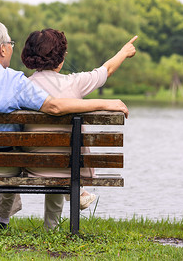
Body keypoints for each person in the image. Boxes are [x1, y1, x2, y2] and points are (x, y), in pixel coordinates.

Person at [0, 21, 130, 232]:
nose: (11, 47)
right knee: (18, 149)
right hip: (8, 167)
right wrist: (104, 103)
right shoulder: (14, 80)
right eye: (10, 43)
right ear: (2, 49)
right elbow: (55, 106)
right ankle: (2, 221)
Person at [21, 28, 137, 230]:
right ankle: (57, 220)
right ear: (60, 58)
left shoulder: (22, 86)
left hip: (34, 168)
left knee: (46, 151)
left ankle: (49, 226)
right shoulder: (75, 83)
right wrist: (124, 52)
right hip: (72, 169)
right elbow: (107, 70)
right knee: (63, 153)